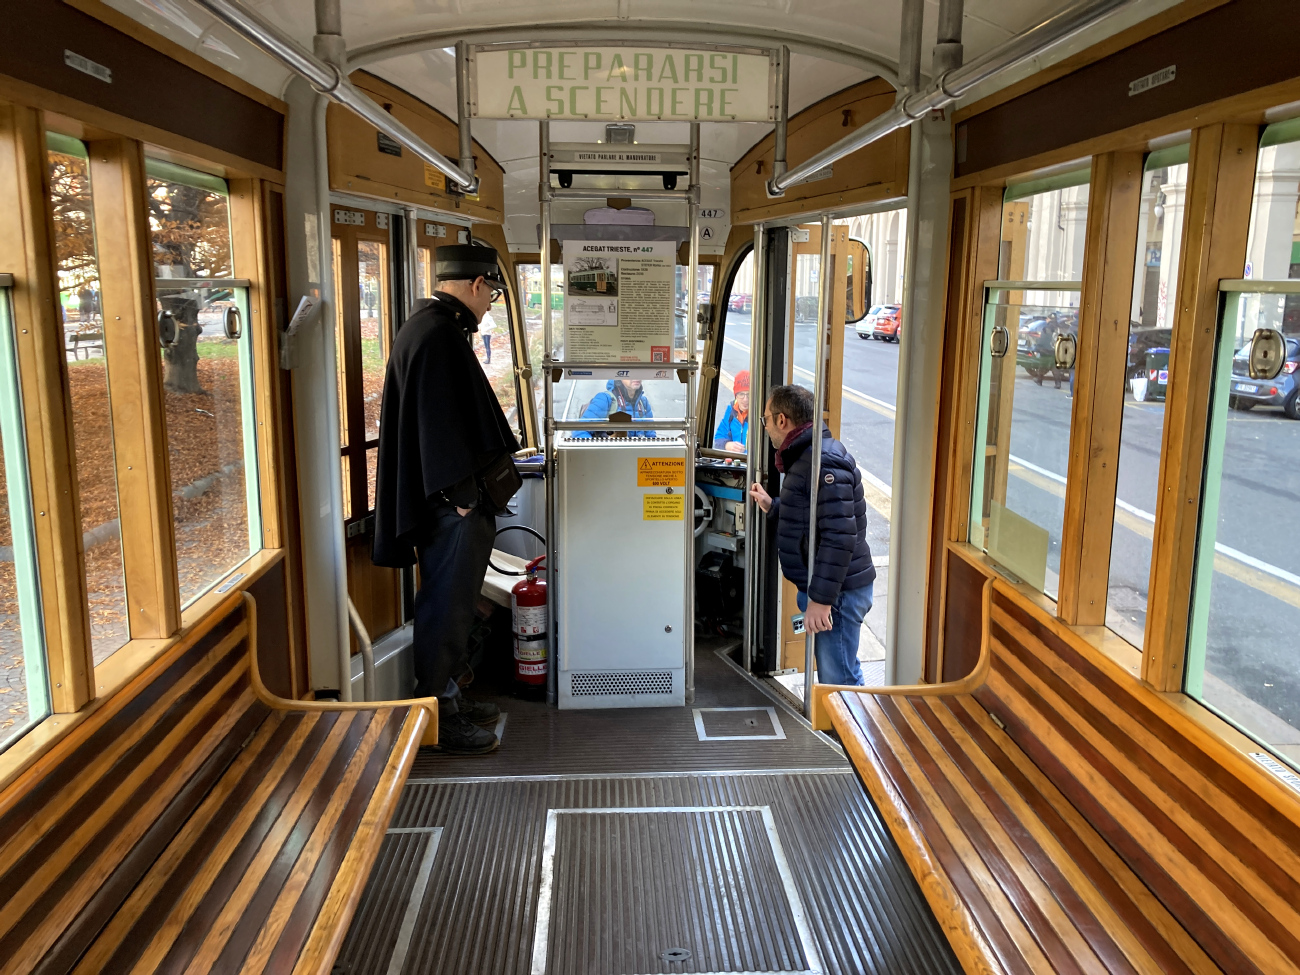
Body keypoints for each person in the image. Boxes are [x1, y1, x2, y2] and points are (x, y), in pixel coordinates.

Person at [373, 244, 518, 755]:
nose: (490, 306)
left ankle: (449, 696)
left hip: (445, 499)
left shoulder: (430, 327)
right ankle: (436, 713)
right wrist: (460, 499)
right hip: (451, 504)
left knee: (453, 604)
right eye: (493, 295)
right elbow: (439, 429)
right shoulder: (438, 335)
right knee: (447, 607)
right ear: (477, 285)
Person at [748, 384, 875, 686]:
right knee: (836, 672)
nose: (765, 428)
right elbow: (814, 519)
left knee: (840, 679)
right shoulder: (808, 456)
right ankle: (839, 730)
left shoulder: (822, 462)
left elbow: (840, 536)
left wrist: (820, 600)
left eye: (765, 419)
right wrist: (773, 506)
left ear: (782, 420)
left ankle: (847, 733)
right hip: (831, 589)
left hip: (837, 594)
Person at [572, 377, 655, 438]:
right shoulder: (605, 399)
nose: (636, 375)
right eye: (630, 371)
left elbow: (651, 438)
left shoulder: (643, 403)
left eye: (640, 371)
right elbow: (579, 431)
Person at [713, 369, 750, 451]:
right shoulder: (731, 411)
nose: (745, 399)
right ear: (736, 395)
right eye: (741, 394)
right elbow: (719, 438)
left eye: (749, 394)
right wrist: (727, 445)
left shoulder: (759, 413)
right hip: (735, 461)